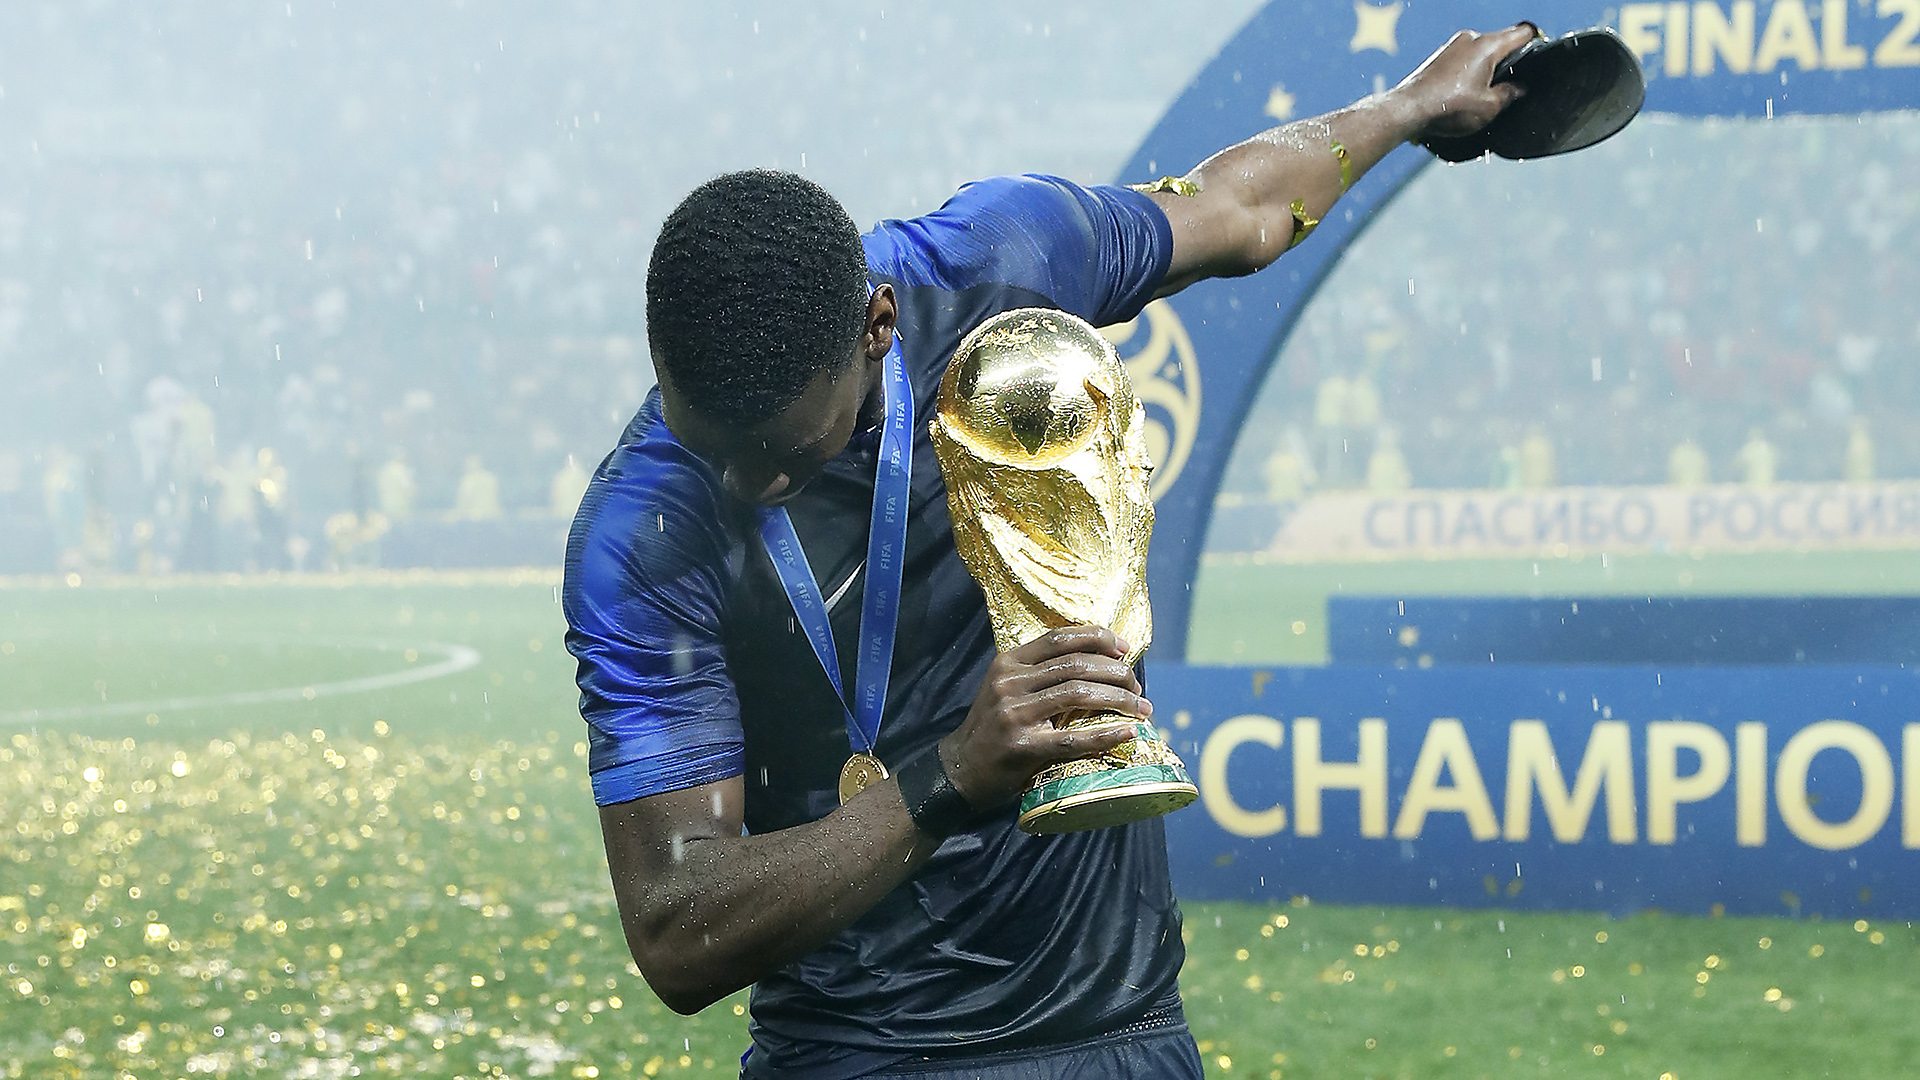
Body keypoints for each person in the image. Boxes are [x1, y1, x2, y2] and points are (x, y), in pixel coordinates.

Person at [563, 25, 1533, 1079]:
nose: (750, 489)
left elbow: (1239, 212)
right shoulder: (643, 535)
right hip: (856, 1056)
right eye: (714, 449)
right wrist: (952, 777)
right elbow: (675, 929)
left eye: (785, 456)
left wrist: (1404, 110)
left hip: (1122, 1035)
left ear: (878, 326)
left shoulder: (999, 263)